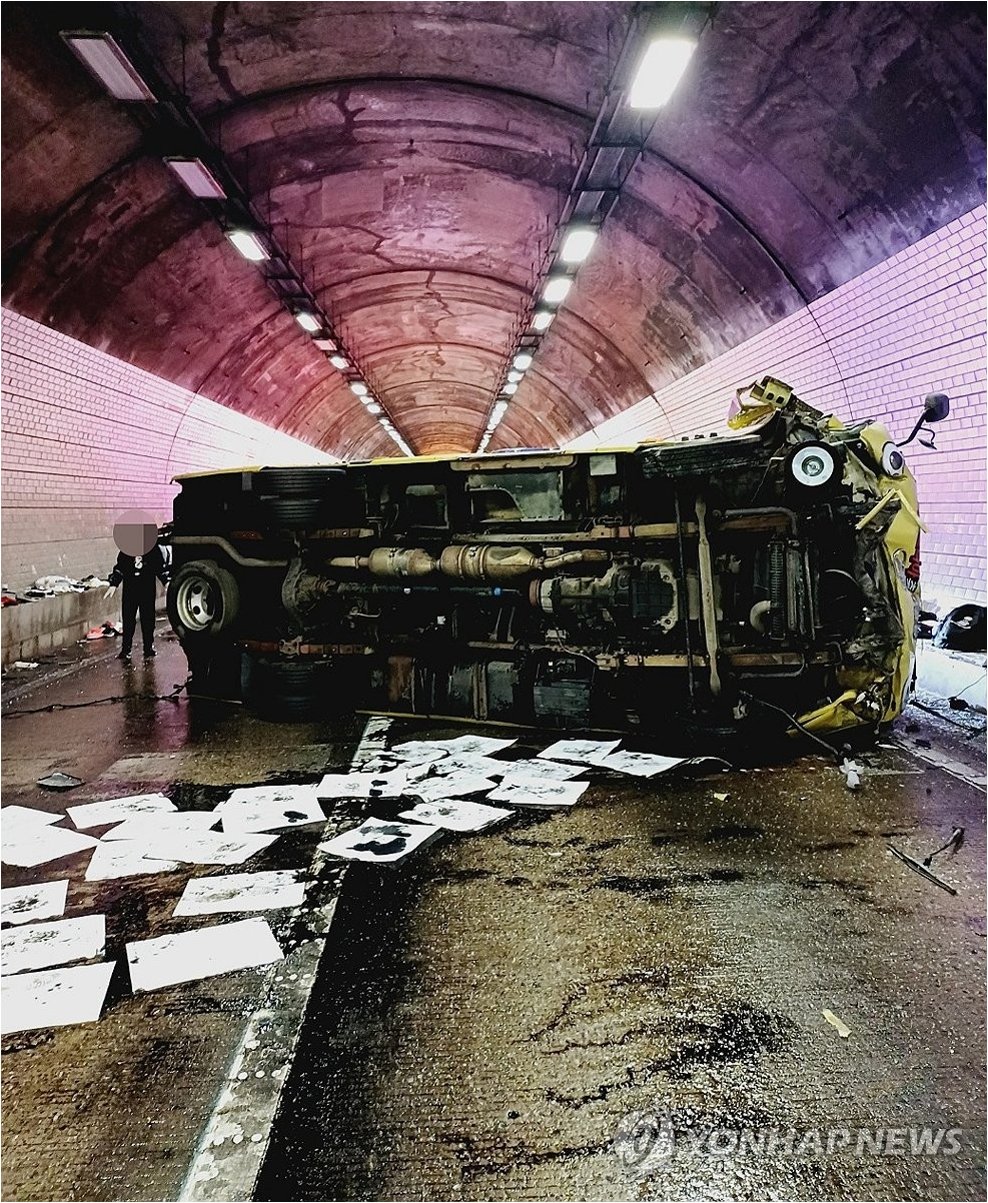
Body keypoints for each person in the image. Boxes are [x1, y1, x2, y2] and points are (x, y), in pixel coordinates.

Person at [108, 511, 170, 661]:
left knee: (148, 619)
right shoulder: (127, 548)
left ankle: (148, 647)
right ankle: (126, 649)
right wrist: (114, 583)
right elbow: (121, 566)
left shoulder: (152, 548)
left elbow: (159, 566)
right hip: (131, 588)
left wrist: (166, 582)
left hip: (146, 587)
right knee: (128, 619)